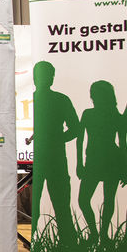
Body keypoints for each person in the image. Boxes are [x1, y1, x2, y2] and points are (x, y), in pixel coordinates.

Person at [31, 61, 79, 242]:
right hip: (39, 158)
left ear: (52, 78)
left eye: (48, 75)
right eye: (42, 75)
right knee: (35, 203)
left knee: (61, 204)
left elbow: (76, 128)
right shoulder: (33, 98)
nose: (45, 79)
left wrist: (57, 139)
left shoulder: (61, 99)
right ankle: (33, 243)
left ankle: (68, 244)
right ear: (35, 78)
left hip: (57, 158)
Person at [76, 80, 127, 242]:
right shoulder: (88, 114)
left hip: (112, 160)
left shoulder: (116, 117)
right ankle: (95, 233)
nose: (94, 97)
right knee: (84, 200)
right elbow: (79, 139)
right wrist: (79, 163)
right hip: (93, 160)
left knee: (108, 199)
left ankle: (103, 234)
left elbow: (123, 144)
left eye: (98, 94)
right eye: (94, 94)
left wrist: (125, 170)